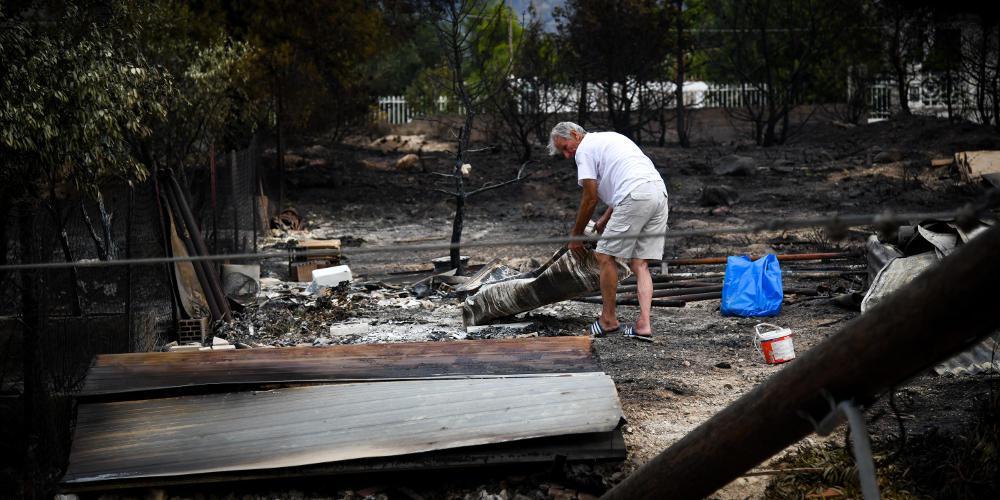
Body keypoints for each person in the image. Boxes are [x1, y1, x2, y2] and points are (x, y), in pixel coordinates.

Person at [548, 122, 668, 339]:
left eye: (566, 147)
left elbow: (590, 197)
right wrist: (603, 220)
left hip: (635, 195)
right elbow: (628, 179)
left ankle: (608, 319)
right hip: (658, 193)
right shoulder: (610, 138)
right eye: (562, 152)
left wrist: (575, 237)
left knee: (604, 255)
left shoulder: (583, 150)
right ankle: (643, 325)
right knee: (640, 263)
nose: (567, 155)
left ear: (575, 134)